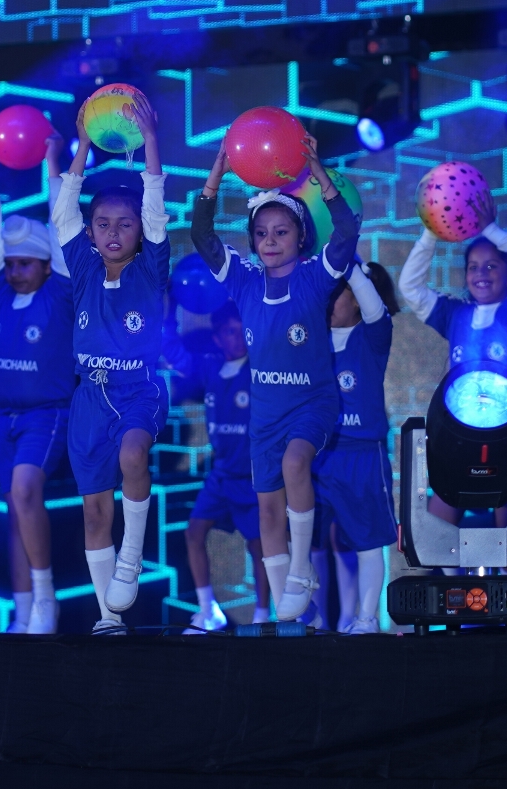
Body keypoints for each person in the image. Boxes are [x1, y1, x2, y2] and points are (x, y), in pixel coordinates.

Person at [192, 140, 358, 623]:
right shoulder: (243, 280)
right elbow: (202, 234)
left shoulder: (315, 277)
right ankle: (289, 597)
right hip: (264, 418)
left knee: (294, 463)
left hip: (312, 405)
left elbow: (347, 231)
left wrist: (318, 173)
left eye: (281, 231)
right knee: (267, 510)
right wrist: (217, 175)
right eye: (261, 233)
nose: (270, 240)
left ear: (301, 238)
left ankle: (303, 569)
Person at [52, 99, 167, 635]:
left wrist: (151, 142)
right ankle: (107, 616)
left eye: (125, 224)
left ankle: (133, 556)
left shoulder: (151, 268)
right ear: (92, 232)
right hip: (88, 402)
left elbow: (156, 204)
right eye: (103, 224)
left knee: (133, 453)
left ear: (140, 231)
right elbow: (63, 213)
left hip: (138, 391)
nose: (114, 232)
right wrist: (81, 147)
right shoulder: (81, 266)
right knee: (95, 513)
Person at [398, 184, 507, 530]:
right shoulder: (455, 314)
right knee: (435, 531)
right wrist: (431, 232)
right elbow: (410, 288)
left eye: (491, 266)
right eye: (473, 267)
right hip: (459, 432)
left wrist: (493, 231)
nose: (481, 274)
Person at [0, 137, 73, 635]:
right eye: (10, 263)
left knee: (25, 490)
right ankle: (21, 611)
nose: (14, 271)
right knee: (16, 511)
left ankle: (46, 601)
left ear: (46, 264)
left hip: (45, 415)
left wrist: (53, 164)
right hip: (3, 419)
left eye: (25, 264)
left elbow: (62, 229)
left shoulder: (59, 293)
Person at [166, 302, 270, 630]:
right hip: (222, 475)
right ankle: (209, 610)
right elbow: (175, 354)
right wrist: (167, 311)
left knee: (259, 546)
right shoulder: (210, 368)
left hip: (252, 478)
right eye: (230, 332)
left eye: (242, 332)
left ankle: (262, 615)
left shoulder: (259, 371)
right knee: (194, 533)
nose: (237, 338)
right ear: (217, 337)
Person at [317, 260, 399, 634]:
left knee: (368, 542)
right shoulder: (312, 339)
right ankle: (311, 619)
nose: (329, 301)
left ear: (356, 300)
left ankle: (367, 619)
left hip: (362, 456)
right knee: (307, 541)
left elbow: (376, 310)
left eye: (338, 294)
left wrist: (349, 264)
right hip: (318, 455)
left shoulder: (372, 338)